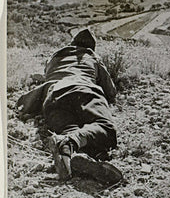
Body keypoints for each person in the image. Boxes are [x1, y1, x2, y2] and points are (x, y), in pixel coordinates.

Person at [16, 29, 123, 184]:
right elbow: (111, 91)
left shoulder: (54, 57)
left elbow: (49, 75)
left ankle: (69, 153)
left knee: (72, 132)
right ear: (91, 47)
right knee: (105, 129)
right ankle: (71, 143)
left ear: (72, 43)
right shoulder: (92, 56)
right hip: (82, 90)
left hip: (53, 97)